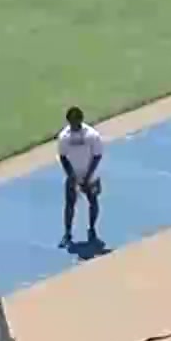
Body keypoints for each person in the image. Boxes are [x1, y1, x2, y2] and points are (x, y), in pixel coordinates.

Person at [57, 106, 105, 248]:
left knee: (93, 201)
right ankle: (67, 234)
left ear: (81, 120)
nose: (73, 125)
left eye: (75, 122)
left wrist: (88, 176)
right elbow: (63, 157)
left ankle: (92, 229)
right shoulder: (64, 136)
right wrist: (71, 175)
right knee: (70, 204)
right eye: (71, 122)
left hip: (91, 174)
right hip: (74, 174)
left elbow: (97, 155)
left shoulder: (92, 135)